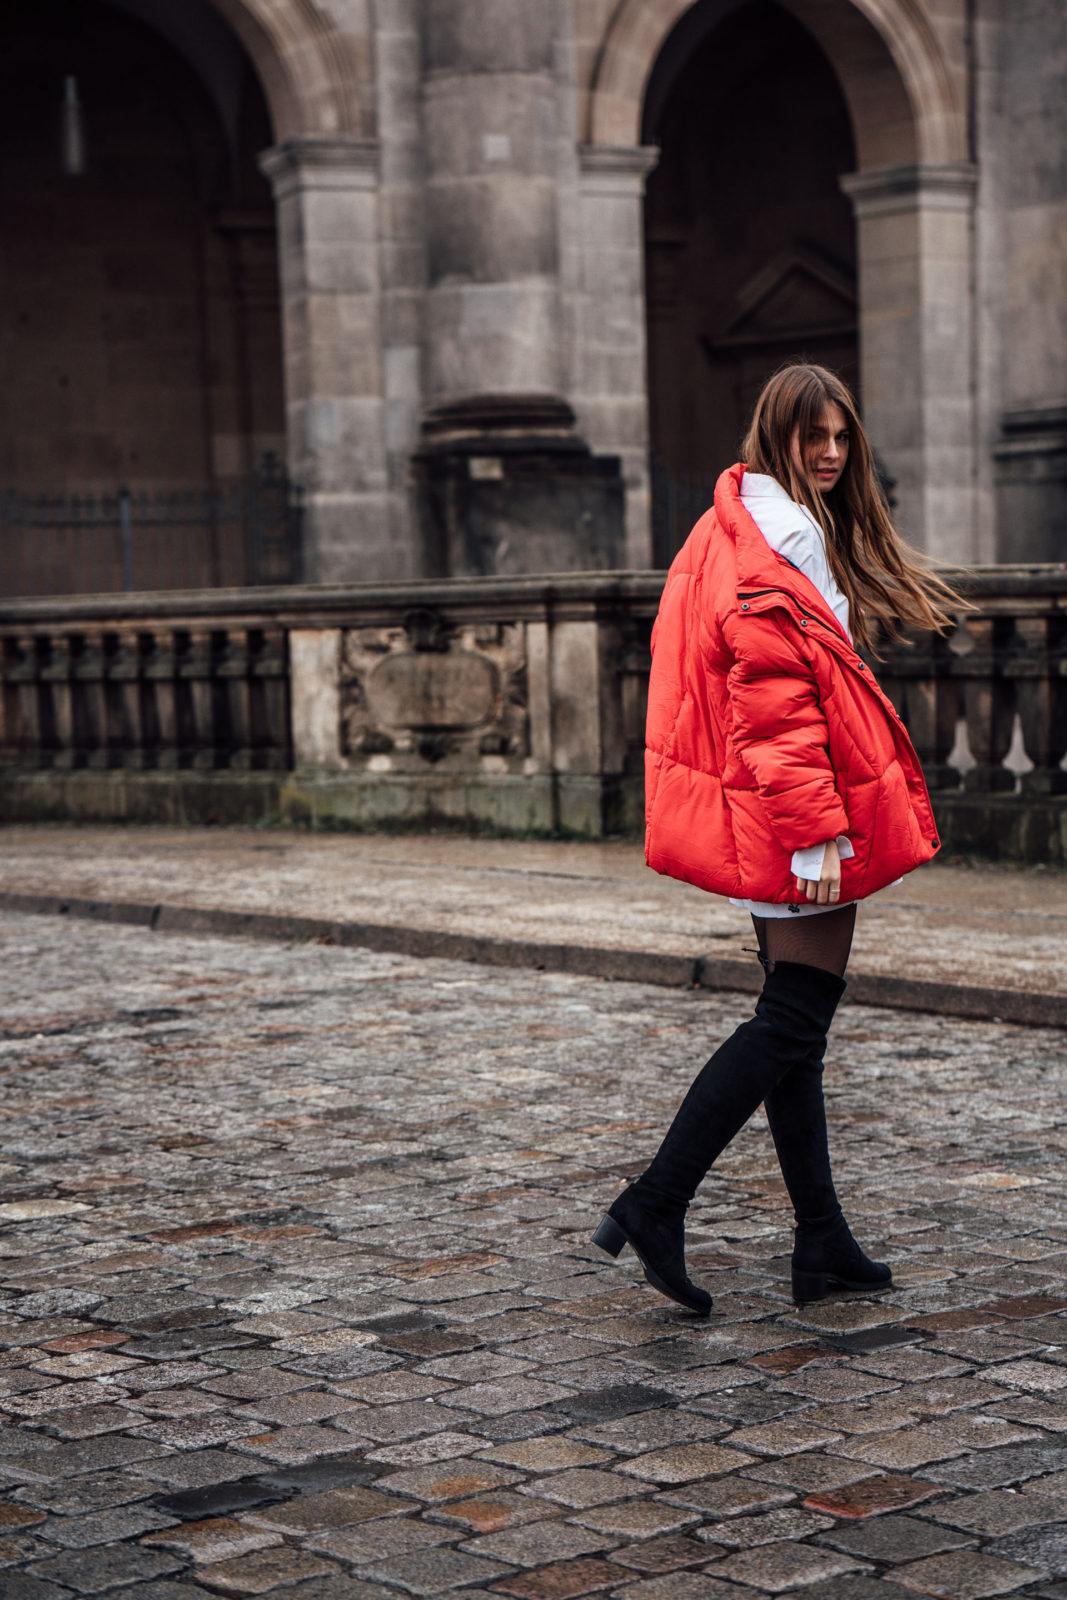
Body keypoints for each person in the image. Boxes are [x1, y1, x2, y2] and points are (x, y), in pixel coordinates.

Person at [592, 363, 965, 1313]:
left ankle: (819, 1239)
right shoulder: (786, 534)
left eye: (843, 438)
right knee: (792, 1019)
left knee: (797, 1034)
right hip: (792, 817)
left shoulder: (732, 522)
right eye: (815, 438)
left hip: (757, 809)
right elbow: (771, 697)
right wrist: (814, 835)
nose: (832, 455)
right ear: (777, 436)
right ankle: (654, 1202)